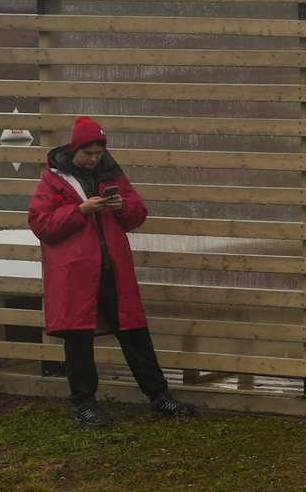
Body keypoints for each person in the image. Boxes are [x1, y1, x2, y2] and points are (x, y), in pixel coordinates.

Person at [28, 117, 195, 426]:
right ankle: (84, 403)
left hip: (112, 269)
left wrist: (121, 207)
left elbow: (137, 214)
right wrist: (80, 211)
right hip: (75, 274)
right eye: (88, 153)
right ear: (76, 149)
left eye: (98, 152)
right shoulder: (52, 180)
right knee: (78, 338)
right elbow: (41, 224)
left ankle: (159, 396)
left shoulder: (112, 173)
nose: (94, 159)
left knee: (134, 333)